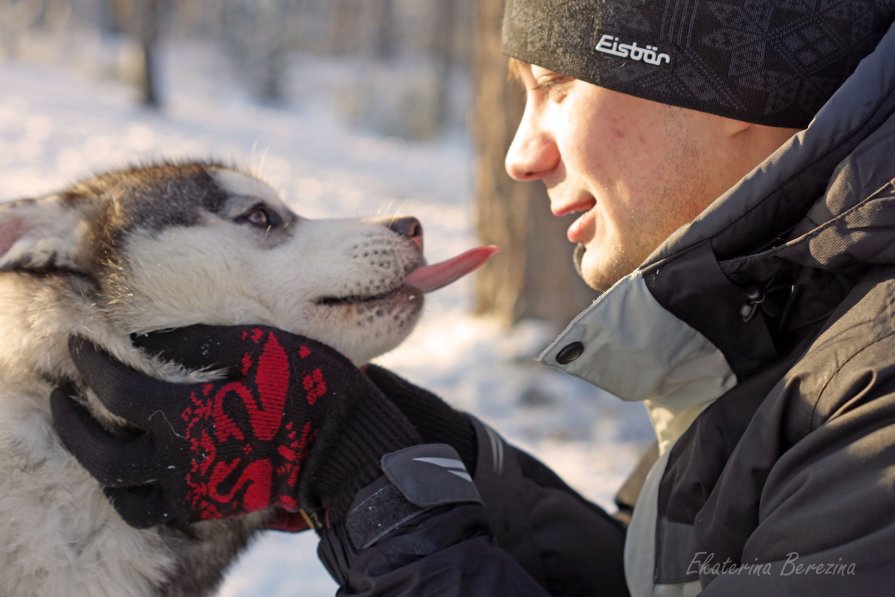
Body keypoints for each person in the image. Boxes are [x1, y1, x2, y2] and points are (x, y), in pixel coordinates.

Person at [51, 1, 895, 595]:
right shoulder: (766, 336)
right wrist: (411, 445)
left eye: (558, 84)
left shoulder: (874, 385)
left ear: (736, 82)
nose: (519, 155)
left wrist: (368, 494)